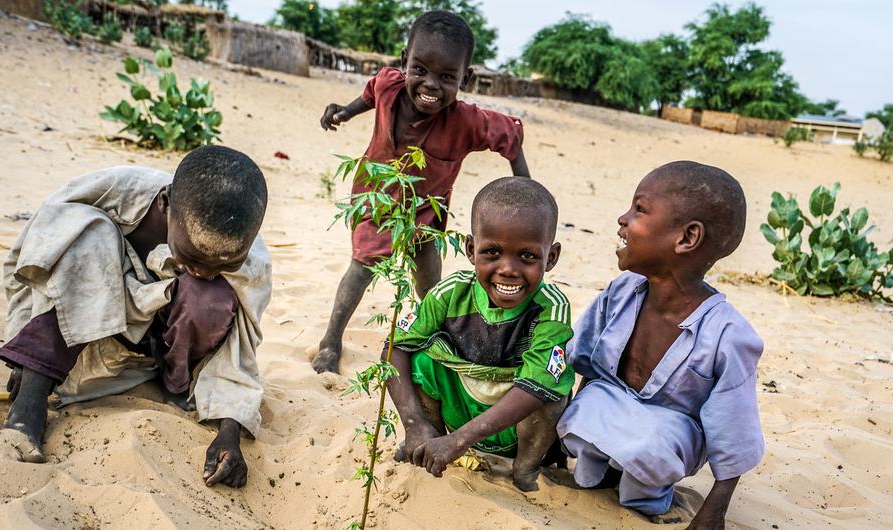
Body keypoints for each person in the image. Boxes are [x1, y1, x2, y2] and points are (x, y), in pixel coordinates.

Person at [0, 145, 272, 489]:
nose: (204, 271)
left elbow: (239, 352)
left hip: (163, 347)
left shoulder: (248, 256)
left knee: (210, 296)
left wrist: (229, 432)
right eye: (190, 256)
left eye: (224, 265)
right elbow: (33, 267)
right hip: (90, 331)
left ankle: (175, 383)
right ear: (165, 204)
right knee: (86, 235)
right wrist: (28, 363)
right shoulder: (109, 193)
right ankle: (30, 405)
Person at [312, 10, 529, 374]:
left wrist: (526, 194)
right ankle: (330, 342)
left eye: (447, 77)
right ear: (403, 63)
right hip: (376, 198)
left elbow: (511, 137)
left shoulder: (467, 121)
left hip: (427, 211)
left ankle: (439, 340)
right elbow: (370, 94)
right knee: (363, 265)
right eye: (420, 70)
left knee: (428, 280)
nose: (430, 85)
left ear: (466, 78)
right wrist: (345, 113)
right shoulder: (388, 85)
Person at [557, 161, 765, 527]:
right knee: (582, 412)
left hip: (669, 431)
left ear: (686, 238)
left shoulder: (727, 334)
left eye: (639, 209)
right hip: (614, 405)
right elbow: (584, 360)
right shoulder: (620, 292)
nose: (623, 219)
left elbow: (734, 428)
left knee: (653, 443)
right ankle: (599, 473)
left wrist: (714, 511)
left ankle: (648, 496)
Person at [385, 177, 569, 492]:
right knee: (420, 359)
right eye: (492, 252)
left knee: (550, 392)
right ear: (471, 250)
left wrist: (460, 440)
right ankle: (429, 445)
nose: (508, 269)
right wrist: (414, 424)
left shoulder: (551, 308)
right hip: (460, 415)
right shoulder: (450, 293)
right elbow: (393, 349)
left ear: (550, 257)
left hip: (514, 430)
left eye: (527, 256)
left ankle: (525, 471)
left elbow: (537, 386)